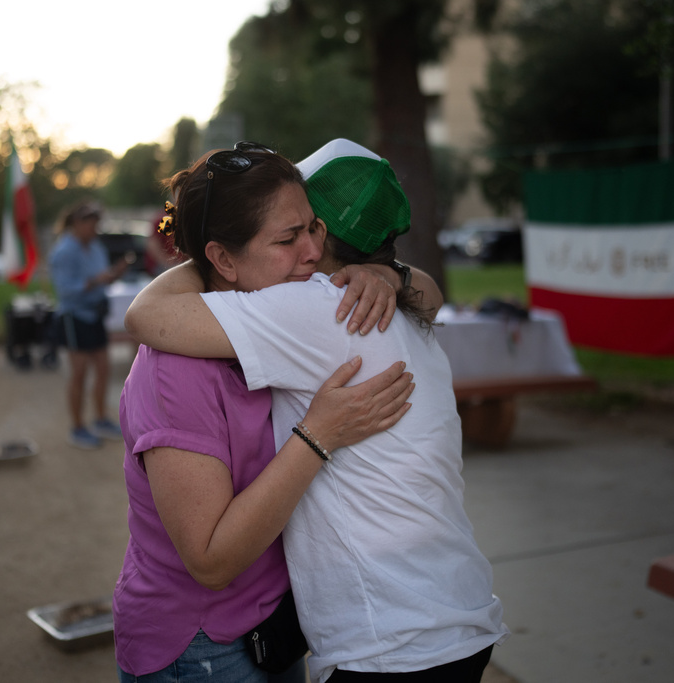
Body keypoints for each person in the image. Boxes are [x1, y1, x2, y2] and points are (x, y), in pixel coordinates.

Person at [124, 139, 509, 682]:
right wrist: (392, 274)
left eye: (313, 229)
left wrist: (209, 257)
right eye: (288, 235)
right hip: (444, 615)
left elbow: (148, 314)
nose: (307, 250)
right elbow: (430, 292)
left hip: (388, 641)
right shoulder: (387, 305)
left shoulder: (320, 306)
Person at [49, 200, 127, 450]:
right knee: (79, 374)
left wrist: (113, 274)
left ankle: (101, 418)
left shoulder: (96, 247)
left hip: (94, 315)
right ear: (77, 223)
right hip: (75, 317)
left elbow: (100, 279)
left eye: (97, 224)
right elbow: (65, 291)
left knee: (103, 369)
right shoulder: (63, 252)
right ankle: (78, 427)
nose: (95, 229)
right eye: (91, 224)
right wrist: (95, 281)